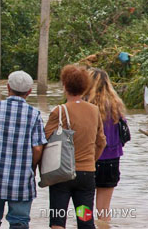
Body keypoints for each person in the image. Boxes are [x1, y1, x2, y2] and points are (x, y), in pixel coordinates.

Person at [0, 70, 47, 229]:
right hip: (21, 181)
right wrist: (31, 167)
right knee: (19, 223)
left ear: (8, 87)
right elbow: (38, 148)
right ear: (29, 92)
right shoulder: (34, 114)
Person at [45, 65, 106, 229]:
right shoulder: (94, 111)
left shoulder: (59, 111)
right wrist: (90, 161)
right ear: (85, 87)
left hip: (62, 176)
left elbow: (44, 140)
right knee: (85, 220)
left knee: (58, 220)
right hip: (86, 176)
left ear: (64, 86)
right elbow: (101, 142)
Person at [84, 68, 127, 222]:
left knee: (84, 207)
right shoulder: (116, 105)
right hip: (112, 160)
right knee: (104, 209)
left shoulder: (84, 104)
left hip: (88, 159)